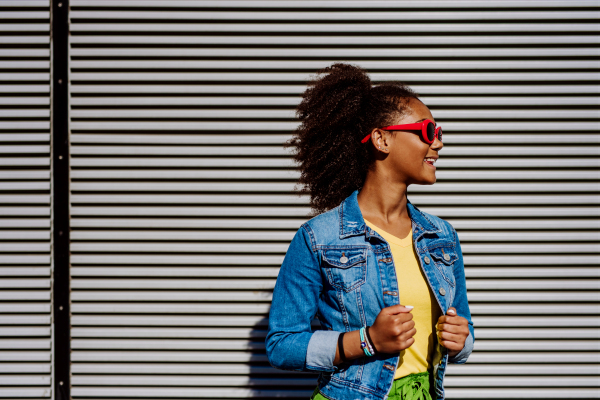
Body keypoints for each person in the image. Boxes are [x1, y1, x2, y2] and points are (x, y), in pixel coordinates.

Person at [265, 63, 474, 400]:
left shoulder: (442, 237)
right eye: (427, 130)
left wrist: (462, 341)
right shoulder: (319, 237)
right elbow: (281, 344)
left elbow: (463, 329)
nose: (438, 143)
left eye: (439, 132)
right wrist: (367, 341)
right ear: (381, 139)